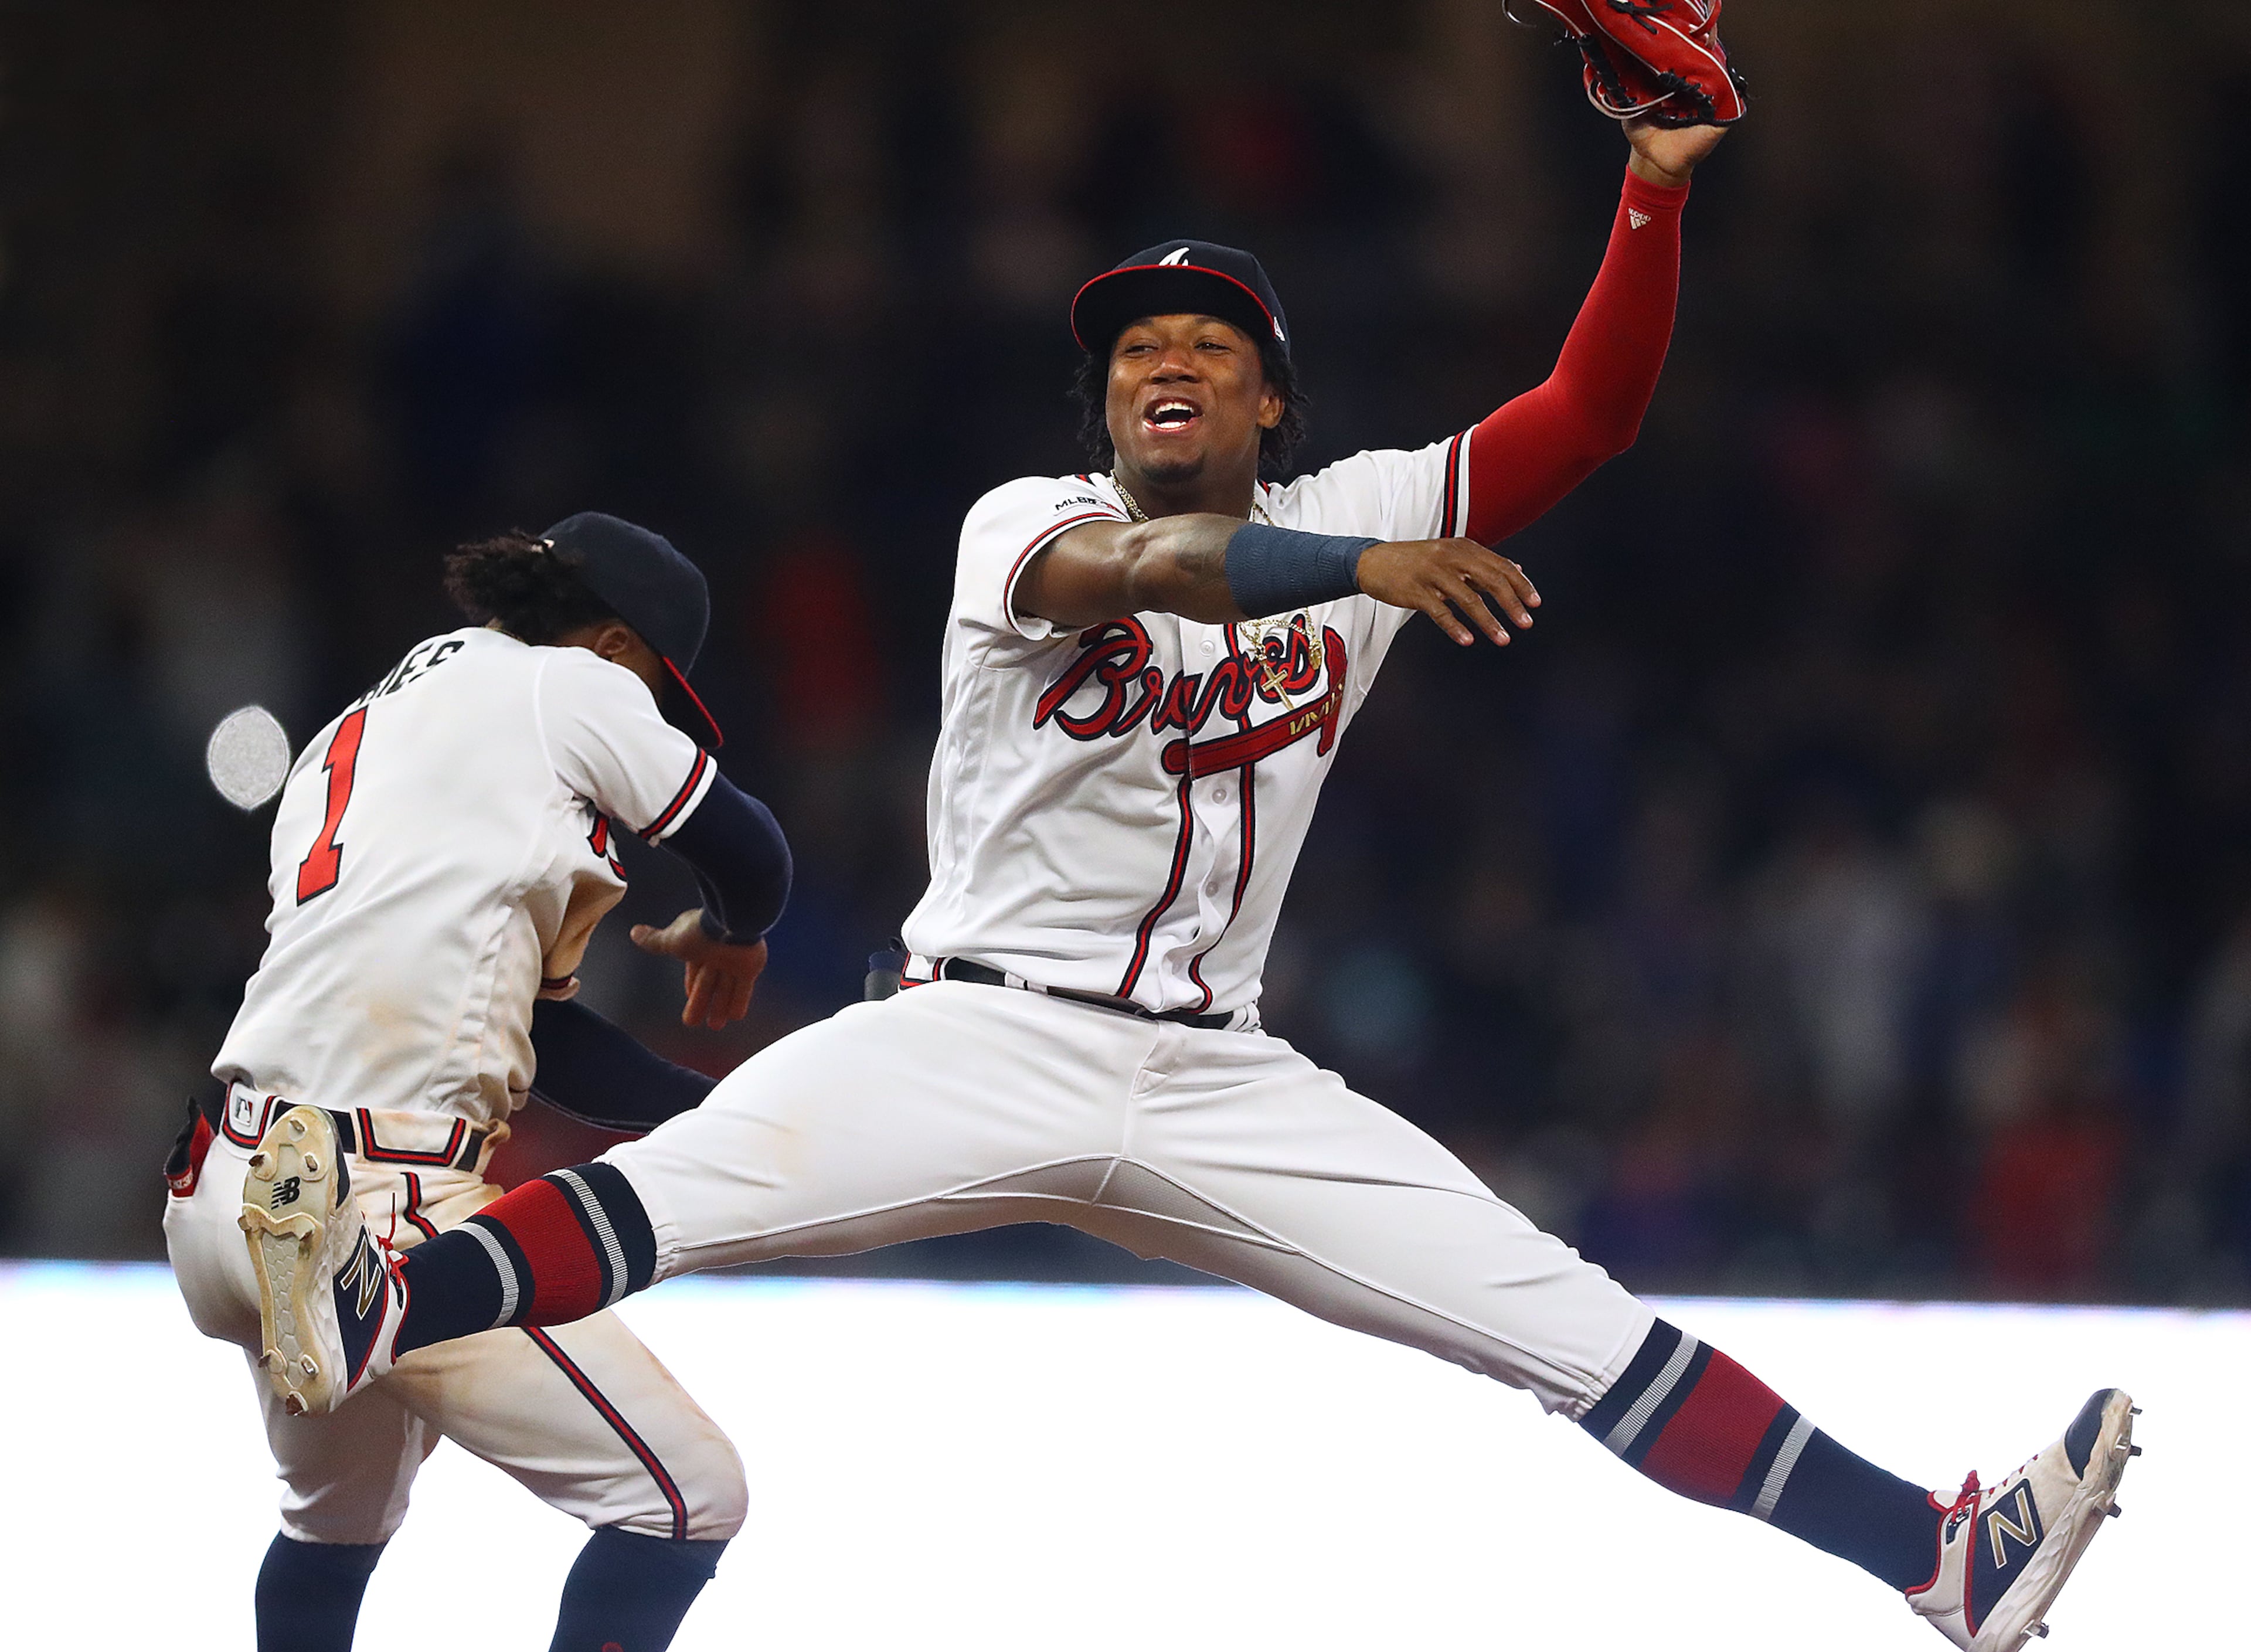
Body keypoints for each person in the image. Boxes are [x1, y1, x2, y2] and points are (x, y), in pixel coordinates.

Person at [239, 119, 2134, 1651]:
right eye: (1139, 346)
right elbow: (1136, 579)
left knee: (1570, 1321)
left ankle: (1937, 1557)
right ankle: (373, 1293)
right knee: (679, 1183)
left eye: (1208, 345)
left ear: (1272, 400)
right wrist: (1353, 572)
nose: (1166, 360)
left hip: (1225, 1076)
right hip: (976, 1027)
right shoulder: (1031, 521)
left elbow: (1590, 415)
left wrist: (1651, 185)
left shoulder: (1375, 508)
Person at [168, 512, 791, 1652]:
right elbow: (753, 853)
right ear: (610, 646)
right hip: (369, 1200)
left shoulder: (356, 724)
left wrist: (721, 1113)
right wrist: (736, 934)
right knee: (686, 1497)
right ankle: (349, 1293)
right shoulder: (571, 688)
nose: (651, 716)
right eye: (658, 686)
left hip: (233, 1180)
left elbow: (543, 1040)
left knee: (334, 1523)